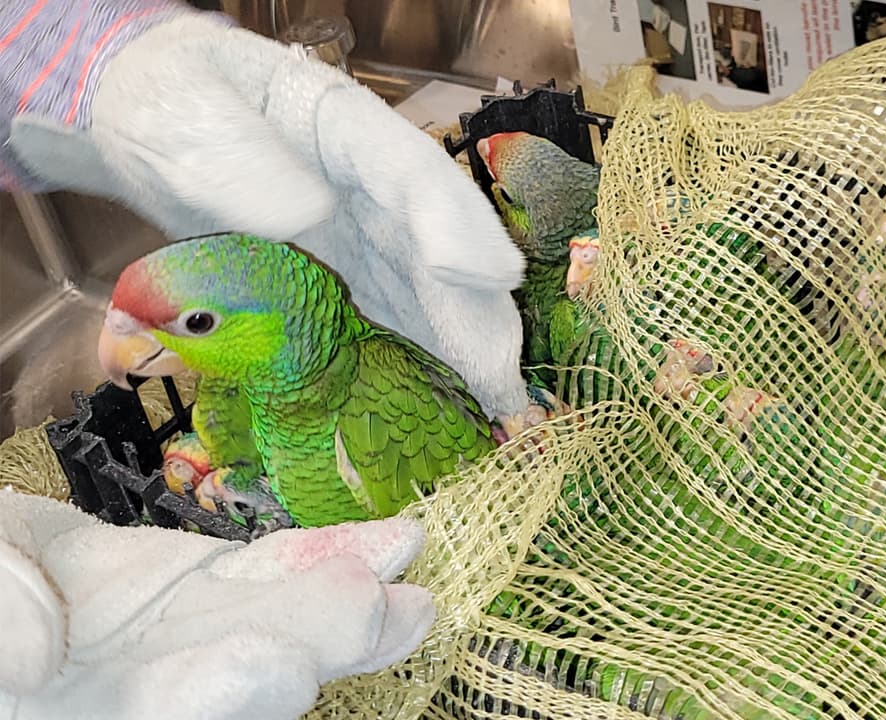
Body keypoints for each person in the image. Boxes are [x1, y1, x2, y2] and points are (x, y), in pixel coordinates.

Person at [1, 1, 515, 717]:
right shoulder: (235, 392)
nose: (120, 346)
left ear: (269, 327)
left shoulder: (380, 398)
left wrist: (104, 68)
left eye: (198, 323)